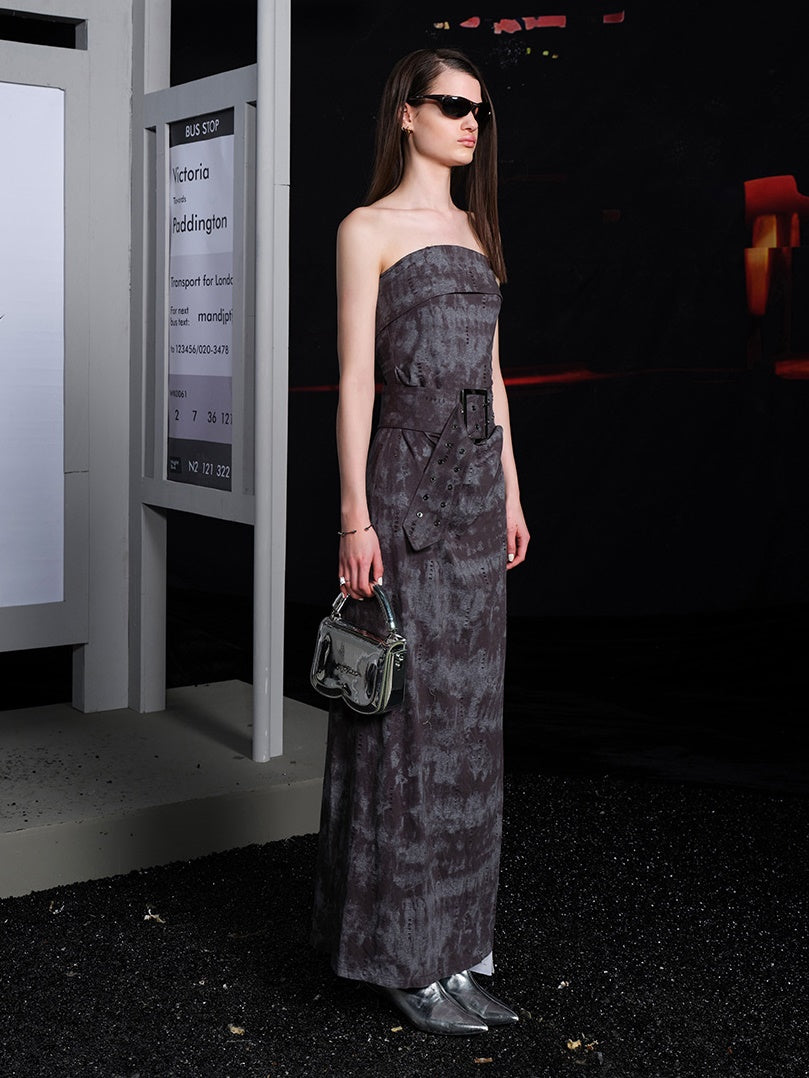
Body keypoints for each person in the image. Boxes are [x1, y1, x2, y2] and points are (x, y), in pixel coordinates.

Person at [311, 47, 530, 1036]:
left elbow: (493, 378)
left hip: (477, 492)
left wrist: (512, 493)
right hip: (404, 488)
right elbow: (355, 380)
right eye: (450, 104)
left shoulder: (477, 227)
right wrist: (353, 515)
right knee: (403, 719)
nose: (468, 120)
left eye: (477, 108)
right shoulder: (365, 229)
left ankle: (458, 950)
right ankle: (399, 951)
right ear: (406, 113)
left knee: (468, 730)